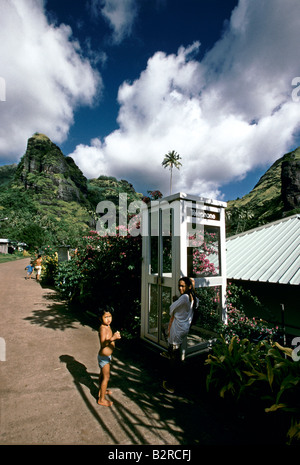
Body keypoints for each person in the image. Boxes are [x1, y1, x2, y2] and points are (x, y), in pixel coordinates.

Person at [162, 277, 198, 394]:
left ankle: (171, 384)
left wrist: (175, 302)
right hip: (184, 328)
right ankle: (171, 353)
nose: (180, 288)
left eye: (183, 286)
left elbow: (171, 309)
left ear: (189, 286)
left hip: (177, 328)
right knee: (174, 350)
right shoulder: (193, 297)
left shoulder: (184, 297)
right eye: (179, 286)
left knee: (174, 356)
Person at [97, 307, 121, 407]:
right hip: (104, 357)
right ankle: (101, 399)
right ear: (100, 318)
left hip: (107, 356)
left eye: (110, 316)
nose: (108, 319)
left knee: (102, 375)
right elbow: (103, 344)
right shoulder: (103, 328)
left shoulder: (107, 326)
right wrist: (113, 338)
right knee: (106, 377)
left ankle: (101, 391)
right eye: (106, 317)